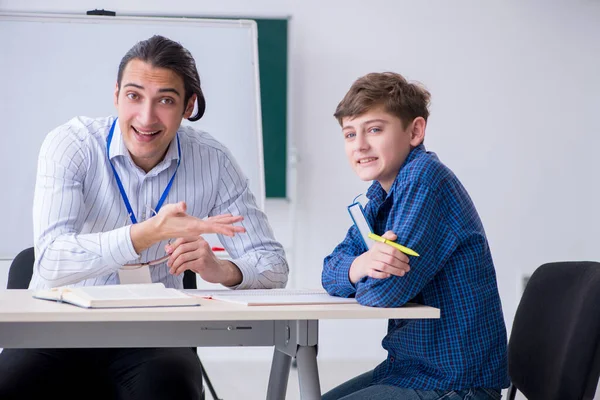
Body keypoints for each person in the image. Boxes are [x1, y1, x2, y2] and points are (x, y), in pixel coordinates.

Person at [0, 35, 288, 400]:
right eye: (134, 96)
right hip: (57, 324)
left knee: (170, 389)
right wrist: (148, 233)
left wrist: (224, 271)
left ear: (188, 106)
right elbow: (52, 258)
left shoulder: (213, 160)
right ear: (116, 94)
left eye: (165, 100)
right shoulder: (72, 145)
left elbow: (274, 266)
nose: (146, 117)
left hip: (153, 334)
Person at [321, 72, 508, 400]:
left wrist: (362, 273)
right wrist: (361, 264)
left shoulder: (424, 179)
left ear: (415, 131)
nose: (360, 145)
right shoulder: (379, 195)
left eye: (375, 129)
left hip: (455, 384)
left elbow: (385, 292)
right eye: (350, 134)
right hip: (410, 371)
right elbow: (329, 270)